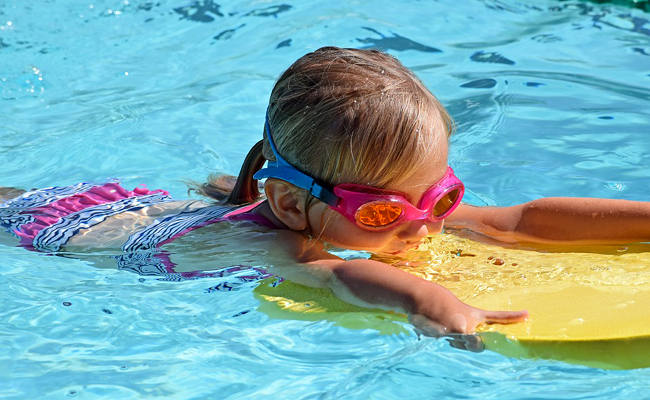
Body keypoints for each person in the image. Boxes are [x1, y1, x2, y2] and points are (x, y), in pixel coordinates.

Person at [2, 47, 649, 336]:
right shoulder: (281, 244)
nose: (424, 227)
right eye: (382, 211)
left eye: (442, 198)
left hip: (137, 205)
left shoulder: (404, 215)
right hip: (63, 231)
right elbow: (338, 279)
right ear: (290, 206)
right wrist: (434, 303)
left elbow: (520, 222)